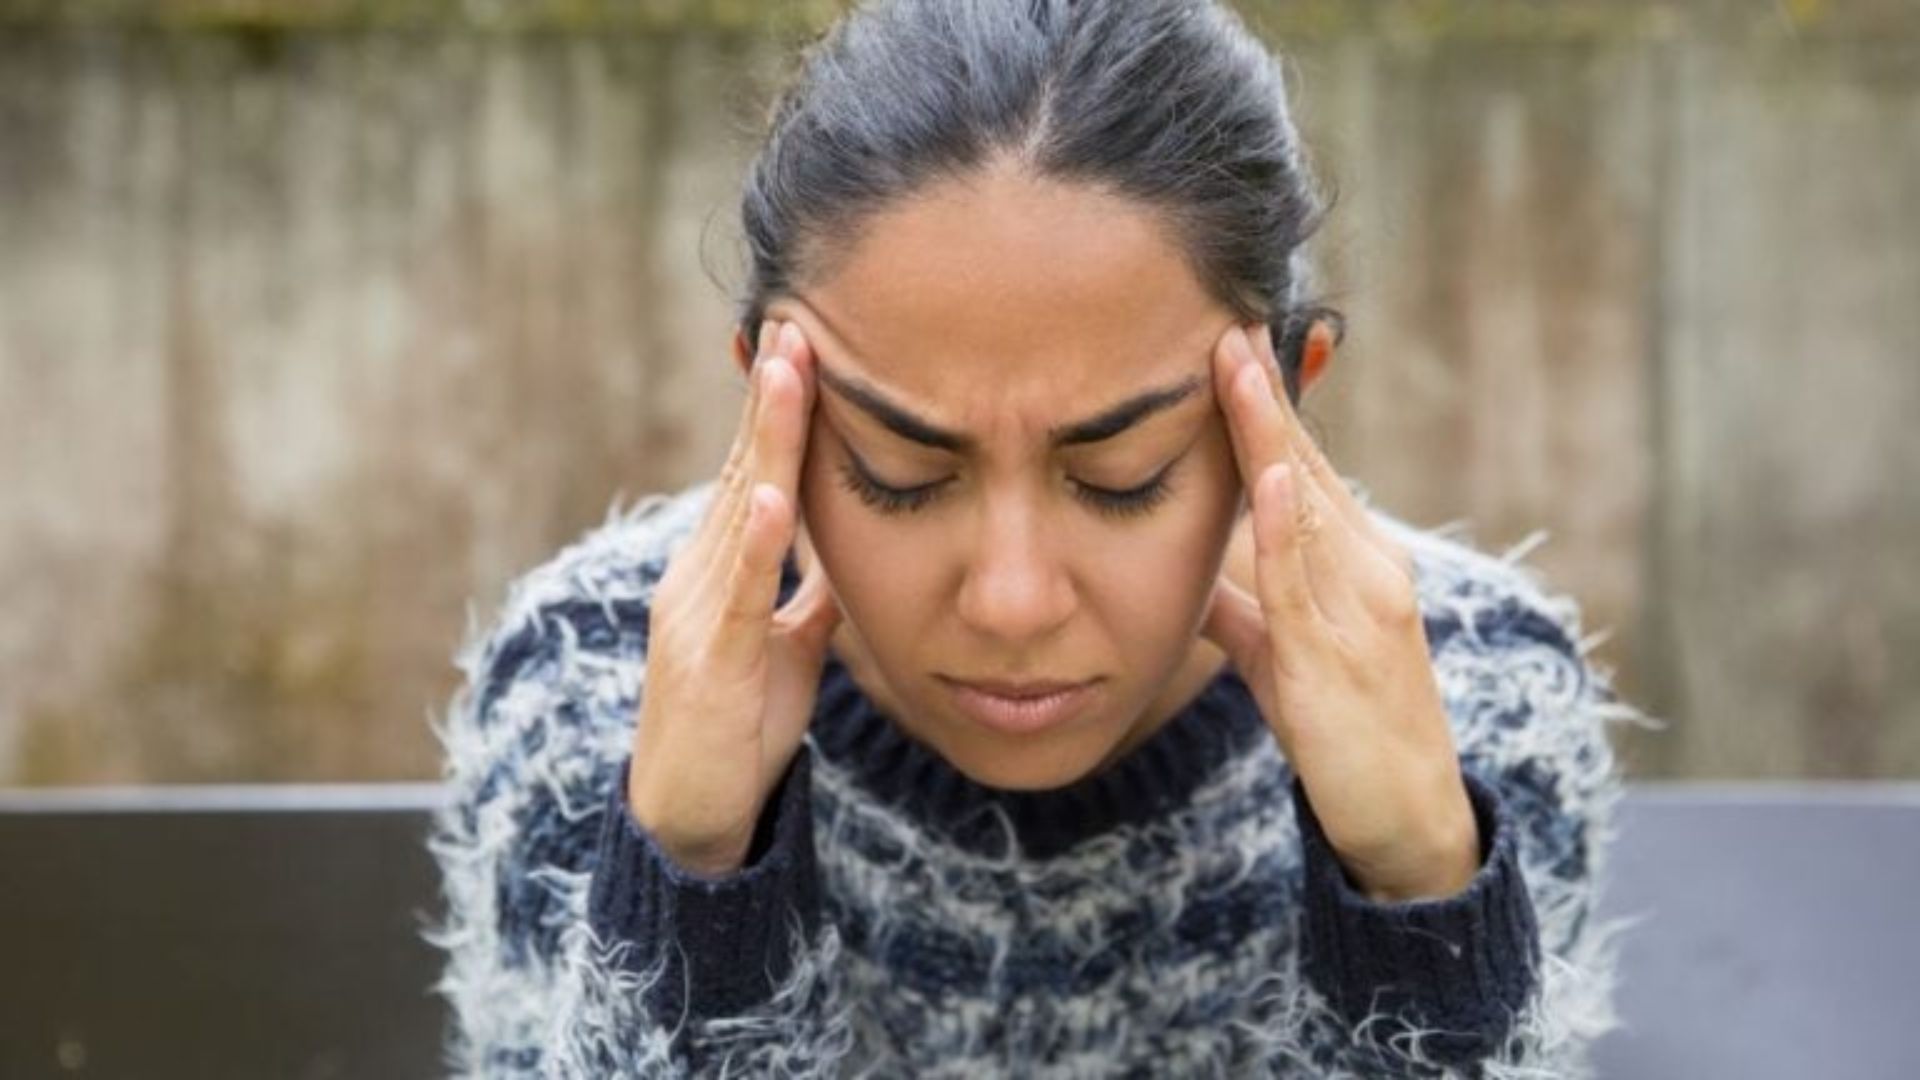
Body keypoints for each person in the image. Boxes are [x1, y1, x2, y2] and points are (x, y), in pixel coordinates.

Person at [424, 1, 1646, 1075]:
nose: (1012, 601)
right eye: (902, 472)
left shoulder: (1475, 693)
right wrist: (690, 870)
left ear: (1288, 393)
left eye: (1121, 476)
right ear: (769, 404)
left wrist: (1419, 889)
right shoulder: (587, 685)